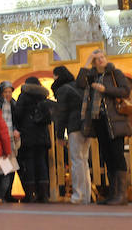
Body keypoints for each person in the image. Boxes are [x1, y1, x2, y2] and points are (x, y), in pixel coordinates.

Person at [76, 49, 132, 206]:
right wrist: (87, 61)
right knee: (107, 157)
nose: (100, 60)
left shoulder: (115, 73)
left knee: (117, 155)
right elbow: (79, 83)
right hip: (99, 120)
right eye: (97, 59)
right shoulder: (91, 76)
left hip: (115, 121)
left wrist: (105, 90)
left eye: (102, 57)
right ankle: (113, 194)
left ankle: (122, 195)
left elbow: (126, 91)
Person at [52, 65, 89, 204]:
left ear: (57, 76)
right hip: (87, 127)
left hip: (74, 127)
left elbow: (61, 114)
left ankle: (78, 196)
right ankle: (86, 196)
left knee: (77, 161)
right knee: (83, 161)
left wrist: (60, 135)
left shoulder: (63, 90)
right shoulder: (78, 86)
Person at [15, 77, 53, 202]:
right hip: (42, 135)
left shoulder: (24, 96)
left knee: (29, 163)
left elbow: (18, 115)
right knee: (41, 163)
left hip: (28, 135)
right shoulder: (43, 96)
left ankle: (30, 194)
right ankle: (44, 195)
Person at [0, 80, 20, 202]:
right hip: (0, 140)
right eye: (6, 92)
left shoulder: (13, 105)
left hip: (11, 140)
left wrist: (16, 130)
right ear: (1, 93)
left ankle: (5, 194)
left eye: (10, 92)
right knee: (4, 169)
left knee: (11, 169)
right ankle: (1, 194)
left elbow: (15, 121)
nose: (8, 94)